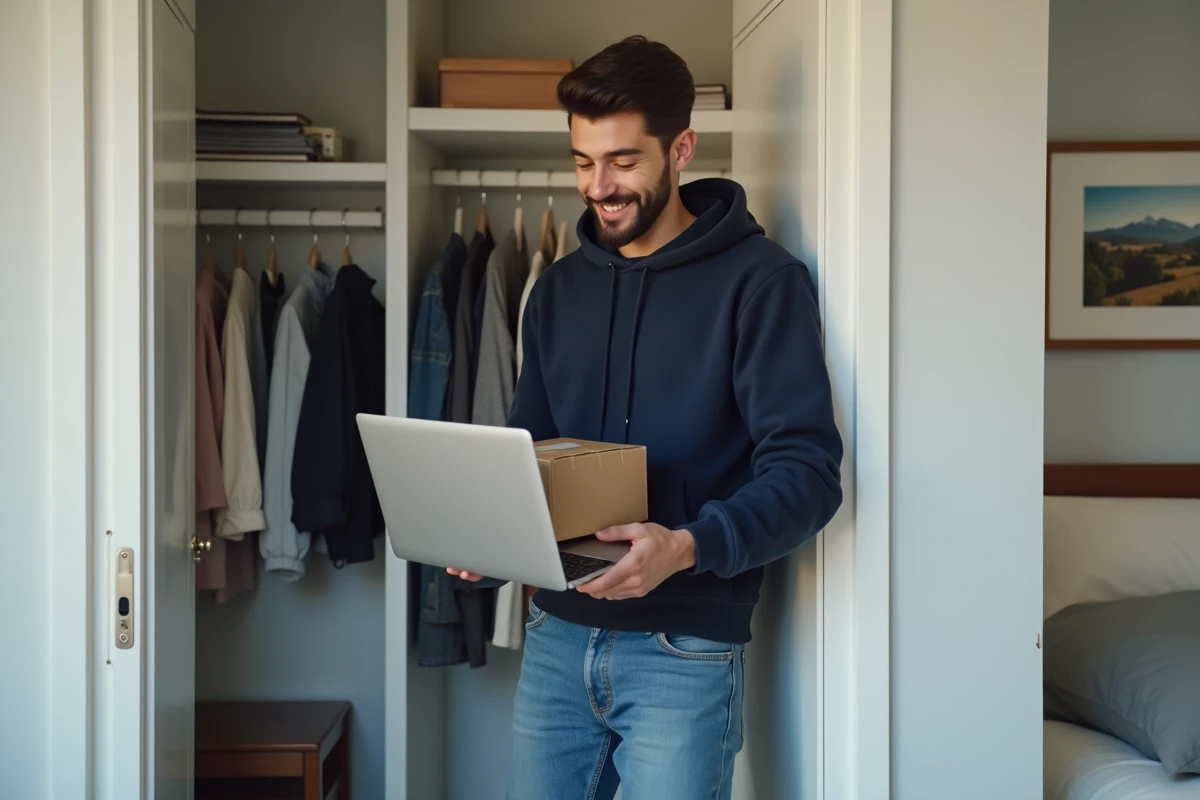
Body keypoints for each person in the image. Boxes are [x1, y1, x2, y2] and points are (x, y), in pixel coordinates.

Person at [449, 35, 844, 800]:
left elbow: (807, 474)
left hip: (684, 648)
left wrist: (687, 546)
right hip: (556, 638)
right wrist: (493, 534)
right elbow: (534, 450)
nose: (600, 187)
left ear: (682, 147)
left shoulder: (762, 284)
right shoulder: (557, 292)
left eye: (624, 161)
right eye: (583, 162)